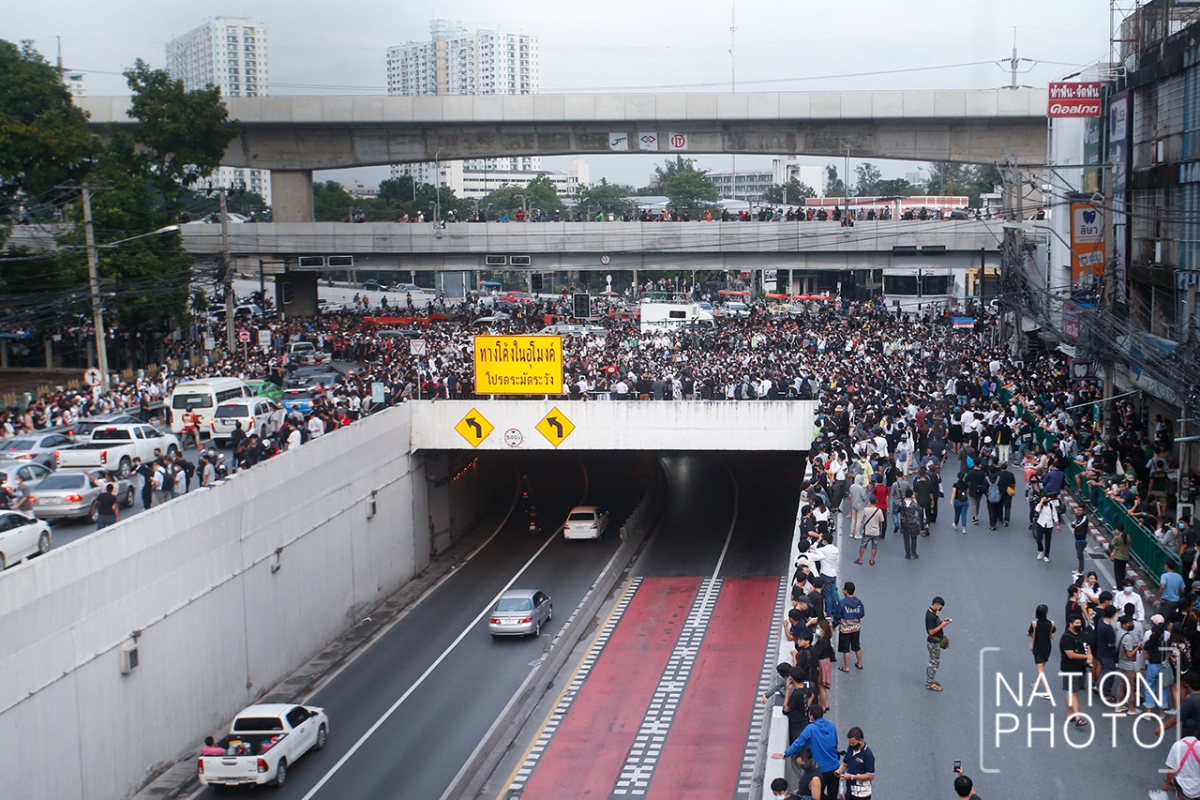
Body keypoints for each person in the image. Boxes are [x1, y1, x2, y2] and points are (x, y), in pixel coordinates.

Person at [772, 705, 840, 800]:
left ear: (811, 716)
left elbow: (798, 743)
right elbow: (835, 743)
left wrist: (785, 754)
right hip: (835, 768)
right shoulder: (832, 725)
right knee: (833, 796)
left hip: (822, 770)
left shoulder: (810, 728)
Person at [1059, 613, 1092, 726]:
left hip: (1081, 667)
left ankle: (1070, 714)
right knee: (1075, 693)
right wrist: (1086, 656)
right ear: (1070, 624)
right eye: (1076, 623)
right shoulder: (1067, 638)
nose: (1079, 625)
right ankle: (1078, 718)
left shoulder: (1081, 634)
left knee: (1071, 692)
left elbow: (1087, 645)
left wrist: (1090, 655)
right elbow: (1071, 655)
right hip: (1070, 669)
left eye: (1080, 623)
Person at [1163, 718, 1200, 800]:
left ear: (1183, 730)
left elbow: (1171, 768)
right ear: (1196, 732)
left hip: (1183, 786)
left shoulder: (1177, 746)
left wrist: (1167, 784)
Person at [834, 726, 875, 800]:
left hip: (862, 794)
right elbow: (845, 764)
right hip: (850, 791)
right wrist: (839, 771)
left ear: (861, 741)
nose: (851, 745)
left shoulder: (868, 754)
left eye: (853, 743)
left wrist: (852, 777)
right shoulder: (851, 749)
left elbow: (870, 776)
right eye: (850, 743)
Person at [834, 582, 865, 671]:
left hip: (845, 629)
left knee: (846, 648)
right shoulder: (858, 602)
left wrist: (834, 624)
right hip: (856, 628)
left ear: (846, 591)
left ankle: (846, 667)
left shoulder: (842, 603)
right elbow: (862, 614)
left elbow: (837, 615)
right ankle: (859, 663)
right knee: (857, 646)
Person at [1027, 604, 1056, 686]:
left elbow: (1028, 633)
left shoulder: (1034, 624)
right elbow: (1052, 636)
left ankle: (1047, 691)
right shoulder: (1051, 623)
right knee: (1042, 668)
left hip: (1038, 648)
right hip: (1047, 648)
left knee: (1040, 670)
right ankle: (1036, 684)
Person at [926, 596, 951, 691]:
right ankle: (930, 683)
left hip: (936, 641)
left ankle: (931, 680)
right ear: (936, 605)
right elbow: (931, 632)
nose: (940, 609)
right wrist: (942, 626)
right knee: (934, 662)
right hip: (933, 642)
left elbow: (935, 625)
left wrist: (942, 622)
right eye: (940, 606)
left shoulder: (933, 614)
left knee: (935, 661)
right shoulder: (930, 616)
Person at [1034, 493, 1060, 563]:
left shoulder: (1051, 506)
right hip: (1041, 523)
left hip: (1049, 525)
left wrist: (1057, 524)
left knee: (1048, 541)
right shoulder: (1040, 505)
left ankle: (1046, 555)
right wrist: (1041, 502)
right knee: (1038, 539)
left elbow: (1054, 515)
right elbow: (1037, 510)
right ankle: (1041, 550)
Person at [898, 489, 923, 559]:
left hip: (904, 522)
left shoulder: (902, 503)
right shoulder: (914, 503)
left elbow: (898, 510)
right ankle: (914, 552)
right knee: (914, 538)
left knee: (906, 538)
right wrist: (916, 502)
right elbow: (920, 510)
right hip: (912, 522)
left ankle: (908, 554)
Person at [1110, 522, 1132, 588]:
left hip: (1118, 556)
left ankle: (1119, 587)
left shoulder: (1118, 537)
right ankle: (1122, 585)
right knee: (1122, 572)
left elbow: (1112, 543)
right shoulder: (1128, 537)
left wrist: (1115, 535)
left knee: (1118, 573)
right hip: (1125, 556)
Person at [1071, 511, 1089, 578]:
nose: (1078, 512)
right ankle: (1079, 569)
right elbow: (1073, 524)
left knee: (1080, 555)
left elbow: (1078, 526)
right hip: (1077, 539)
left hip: (1082, 540)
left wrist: (1075, 526)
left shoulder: (1084, 518)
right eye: (1078, 510)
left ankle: (1081, 571)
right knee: (1079, 555)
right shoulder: (1078, 518)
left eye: (1080, 510)